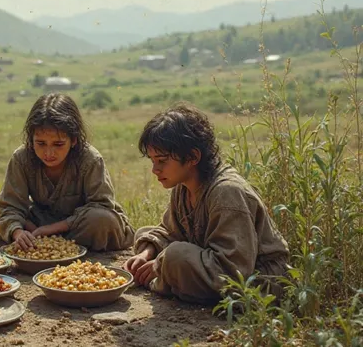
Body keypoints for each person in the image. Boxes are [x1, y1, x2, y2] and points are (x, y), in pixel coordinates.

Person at [124, 104, 290, 304]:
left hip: (258, 282)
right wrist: (146, 254)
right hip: (218, 268)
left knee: (175, 256)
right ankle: (171, 280)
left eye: (161, 161)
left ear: (193, 157)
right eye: (152, 161)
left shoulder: (227, 193)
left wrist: (160, 265)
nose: (155, 170)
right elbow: (170, 232)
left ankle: (165, 283)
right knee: (145, 234)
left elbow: (234, 271)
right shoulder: (183, 186)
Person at [0, 93, 135, 252]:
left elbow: (102, 206)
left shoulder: (90, 159)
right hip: (41, 220)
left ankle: (49, 240)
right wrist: (18, 232)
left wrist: (50, 230)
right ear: (31, 139)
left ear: (74, 140)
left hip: (78, 225)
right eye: (41, 143)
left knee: (102, 219)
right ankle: (41, 240)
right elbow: (11, 204)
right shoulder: (22, 158)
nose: (49, 153)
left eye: (58, 144)